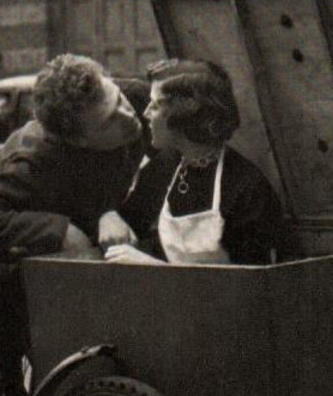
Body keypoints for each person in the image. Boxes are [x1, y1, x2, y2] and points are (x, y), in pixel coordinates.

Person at [0, 53, 147, 396]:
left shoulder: (135, 98)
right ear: (79, 141)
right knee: (22, 306)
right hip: (1, 214)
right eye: (108, 123)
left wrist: (106, 211)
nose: (127, 116)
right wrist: (59, 230)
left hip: (74, 205)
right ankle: (16, 393)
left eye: (118, 99)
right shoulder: (36, 160)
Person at [101, 59, 281, 267]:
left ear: (185, 115)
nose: (146, 113)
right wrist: (108, 215)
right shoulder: (166, 166)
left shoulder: (246, 187)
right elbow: (131, 220)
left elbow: (252, 284)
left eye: (156, 105)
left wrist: (156, 268)